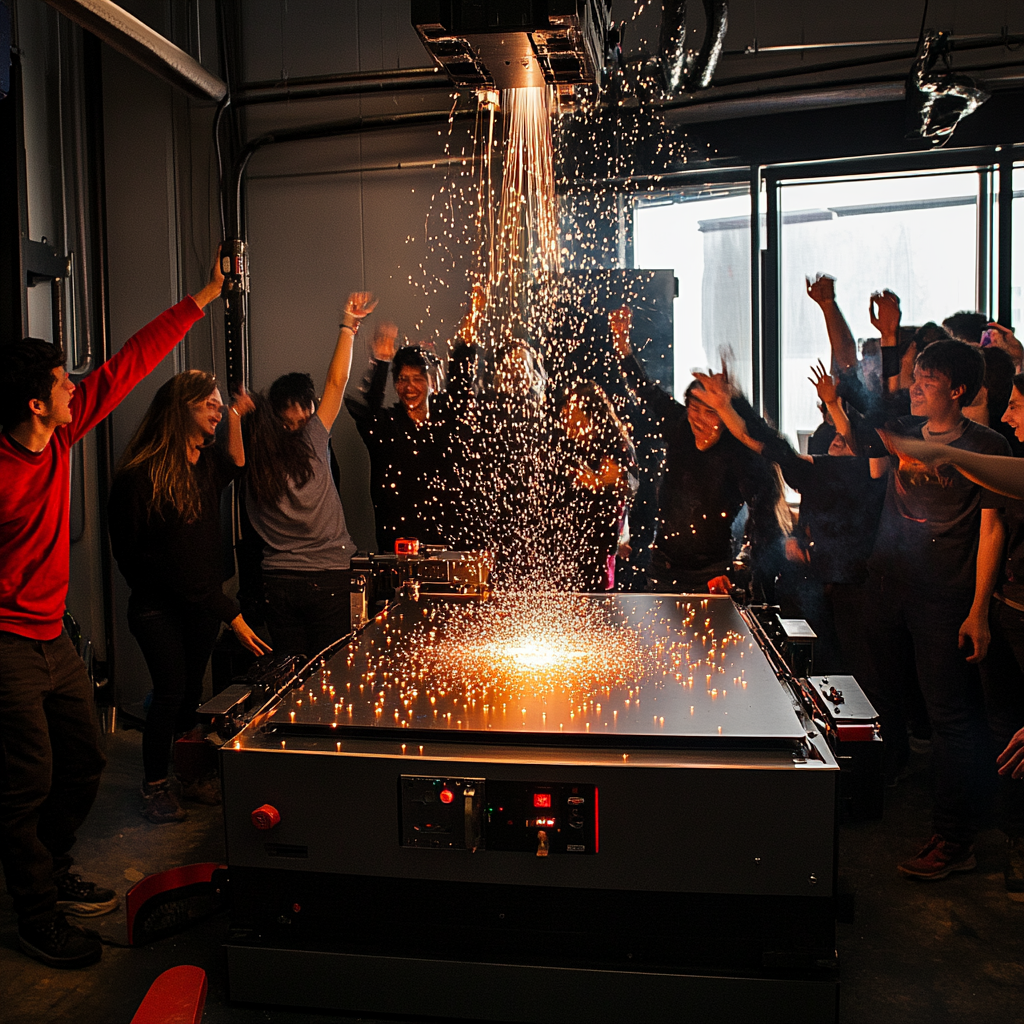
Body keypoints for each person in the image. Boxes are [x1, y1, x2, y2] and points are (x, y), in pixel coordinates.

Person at [0, 253, 223, 968]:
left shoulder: (63, 435)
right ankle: (35, 914)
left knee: (87, 758)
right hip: (6, 644)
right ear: (36, 402)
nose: (76, 387)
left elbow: (131, 361)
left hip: (52, 638)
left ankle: (51, 866)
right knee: (27, 778)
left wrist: (202, 299)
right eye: (63, 382)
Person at [860, 338, 1010, 881]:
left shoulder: (987, 446)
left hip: (944, 597)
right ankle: (885, 779)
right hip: (888, 584)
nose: (917, 387)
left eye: (928, 379)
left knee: (954, 719)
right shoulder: (903, 429)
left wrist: (978, 610)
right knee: (880, 695)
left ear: (958, 389)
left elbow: (993, 526)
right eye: (916, 377)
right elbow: (873, 468)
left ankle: (954, 838)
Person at [108, 371, 270, 825]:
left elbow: (236, 463)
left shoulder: (202, 462)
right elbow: (138, 556)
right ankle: (154, 786)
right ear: (182, 410)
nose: (217, 411)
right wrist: (230, 614)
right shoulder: (140, 476)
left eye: (220, 404)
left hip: (200, 606)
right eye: (210, 405)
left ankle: (189, 777)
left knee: (189, 694)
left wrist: (237, 414)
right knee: (170, 691)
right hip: (158, 607)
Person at [694, 363, 885, 675]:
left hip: (859, 593)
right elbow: (761, 441)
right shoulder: (820, 471)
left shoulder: (872, 475)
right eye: (834, 434)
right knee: (816, 668)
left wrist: (836, 404)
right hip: (814, 587)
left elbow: (854, 438)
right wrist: (726, 406)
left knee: (863, 674)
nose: (835, 438)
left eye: (842, 437)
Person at [610, 310, 787, 595]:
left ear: (727, 416)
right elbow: (646, 391)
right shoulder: (680, 427)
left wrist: (743, 567)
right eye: (695, 408)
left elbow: (762, 514)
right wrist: (623, 347)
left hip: (713, 574)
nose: (700, 420)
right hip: (663, 566)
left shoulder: (738, 453)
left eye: (711, 412)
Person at [244, 293, 377, 656]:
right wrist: (348, 326)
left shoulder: (252, 454)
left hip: (277, 580)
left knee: (290, 679)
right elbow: (337, 382)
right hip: (328, 576)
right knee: (328, 678)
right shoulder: (314, 439)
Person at [346, 320, 477, 552]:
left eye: (418, 379)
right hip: (399, 546)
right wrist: (382, 362)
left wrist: (466, 342)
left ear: (430, 383)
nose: (410, 387)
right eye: (403, 379)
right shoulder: (387, 425)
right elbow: (367, 412)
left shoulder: (447, 422)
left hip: (450, 544)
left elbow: (460, 388)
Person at [556, 380, 638, 591]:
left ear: (592, 415)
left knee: (595, 603)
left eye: (573, 413)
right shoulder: (566, 445)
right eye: (565, 411)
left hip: (599, 546)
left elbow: (630, 489)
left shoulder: (615, 445)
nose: (566, 419)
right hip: (566, 545)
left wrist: (600, 484)